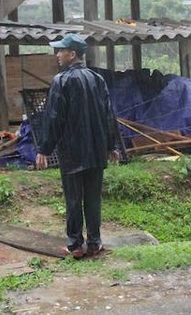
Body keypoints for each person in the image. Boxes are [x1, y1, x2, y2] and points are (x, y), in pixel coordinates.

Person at [36, 33, 121, 259]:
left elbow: (53, 118)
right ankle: (94, 242)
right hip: (96, 151)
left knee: (73, 199)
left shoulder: (61, 81)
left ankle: (75, 245)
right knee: (93, 198)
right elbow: (108, 116)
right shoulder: (98, 79)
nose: (57, 54)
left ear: (72, 54)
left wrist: (44, 149)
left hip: (72, 152)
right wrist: (111, 145)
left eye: (61, 50)